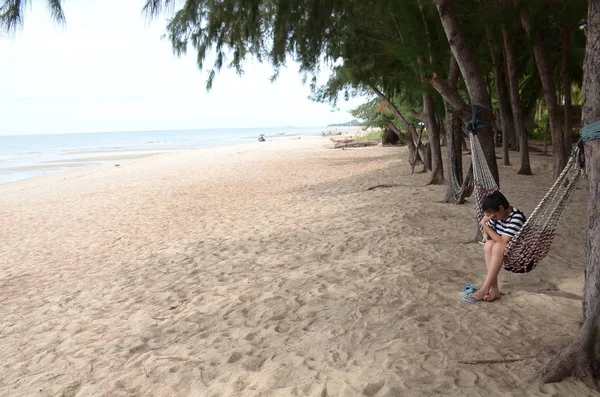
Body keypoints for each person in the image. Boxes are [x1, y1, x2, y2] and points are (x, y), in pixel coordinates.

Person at [462, 191, 526, 303]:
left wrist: (483, 224)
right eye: (490, 215)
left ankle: (485, 289)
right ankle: (494, 289)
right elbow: (488, 235)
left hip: (520, 253)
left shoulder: (516, 217)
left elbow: (502, 240)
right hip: (503, 249)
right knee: (489, 244)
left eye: (494, 215)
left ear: (501, 208)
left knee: (497, 245)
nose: (493, 218)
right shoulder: (497, 216)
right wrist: (486, 230)